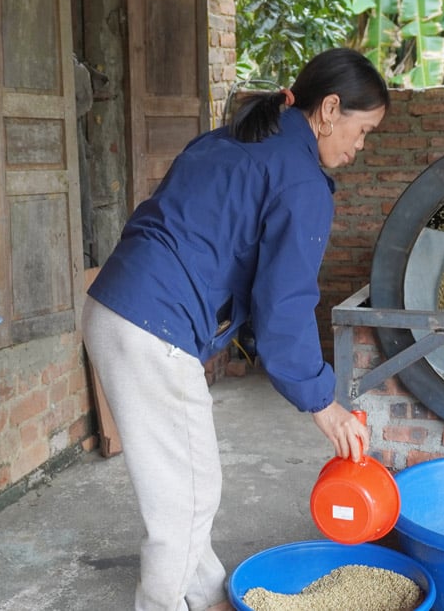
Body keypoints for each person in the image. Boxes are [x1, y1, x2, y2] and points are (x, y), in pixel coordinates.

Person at [81, 47, 390, 611]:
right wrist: (323, 403)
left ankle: (208, 597)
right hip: (153, 325)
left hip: (113, 306)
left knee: (180, 482)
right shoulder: (300, 179)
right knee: (190, 495)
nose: (360, 146)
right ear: (330, 110)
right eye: (363, 130)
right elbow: (284, 306)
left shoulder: (233, 140)